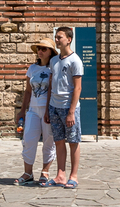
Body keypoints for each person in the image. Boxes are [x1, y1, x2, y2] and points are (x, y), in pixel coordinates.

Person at [13, 35, 57, 185]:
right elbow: (27, 91)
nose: (40, 51)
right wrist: (22, 111)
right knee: (28, 140)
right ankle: (27, 172)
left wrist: (49, 111)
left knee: (48, 141)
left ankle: (45, 172)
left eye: (44, 49)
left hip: (49, 109)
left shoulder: (54, 68)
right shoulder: (32, 68)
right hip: (33, 109)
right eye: (39, 49)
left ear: (51, 52)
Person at [46, 26, 85, 188]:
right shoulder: (54, 61)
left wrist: (71, 112)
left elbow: (77, 88)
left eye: (59, 37)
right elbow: (50, 85)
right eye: (56, 37)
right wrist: (49, 108)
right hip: (54, 107)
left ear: (69, 39)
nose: (56, 40)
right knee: (59, 141)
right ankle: (60, 175)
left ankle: (73, 176)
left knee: (73, 142)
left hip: (69, 108)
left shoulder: (75, 61)